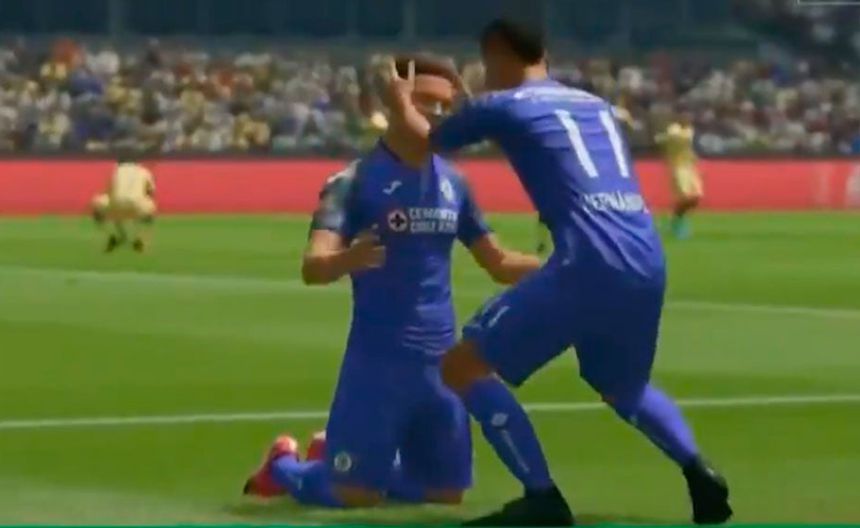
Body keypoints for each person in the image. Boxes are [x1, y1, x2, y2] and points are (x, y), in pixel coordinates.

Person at [386, 19, 732, 526]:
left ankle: (542, 497)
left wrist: (398, 100)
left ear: (497, 53)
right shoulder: (595, 105)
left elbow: (425, 143)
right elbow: (532, 134)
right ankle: (700, 473)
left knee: (462, 367)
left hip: (586, 261)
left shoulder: (501, 105)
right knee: (623, 386)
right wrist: (475, 103)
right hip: (645, 256)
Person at [242, 56, 542, 509]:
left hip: (442, 362)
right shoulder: (355, 181)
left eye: (445, 106)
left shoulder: (454, 184)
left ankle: (342, 458)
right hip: (378, 362)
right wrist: (348, 259)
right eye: (425, 102)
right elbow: (313, 266)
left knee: (445, 494)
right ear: (396, 101)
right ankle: (284, 465)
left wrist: (564, 266)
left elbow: (498, 262)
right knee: (353, 496)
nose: (437, 114)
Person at [90, 153, 156, 253]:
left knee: (100, 203)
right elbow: (151, 192)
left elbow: (109, 193)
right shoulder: (144, 171)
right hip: (137, 207)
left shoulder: (116, 172)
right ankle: (140, 238)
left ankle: (113, 235)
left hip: (116, 206)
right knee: (151, 207)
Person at [656, 110, 703, 239]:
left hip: (689, 167)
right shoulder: (674, 129)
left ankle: (675, 219)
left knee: (697, 196)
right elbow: (679, 139)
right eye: (686, 117)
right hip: (678, 167)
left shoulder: (686, 130)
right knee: (686, 197)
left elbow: (686, 144)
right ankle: (678, 223)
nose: (688, 119)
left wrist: (694, 157)